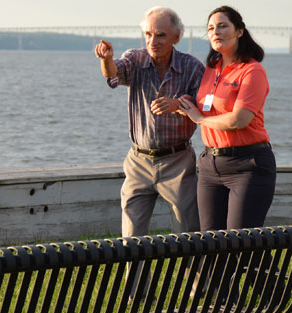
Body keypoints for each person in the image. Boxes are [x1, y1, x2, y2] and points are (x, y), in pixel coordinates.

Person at [94, 6, 203, 237]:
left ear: (176, 37)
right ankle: (134, 275)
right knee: (131, 239)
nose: (153, 40)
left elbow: (204, 107)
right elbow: (113, 73)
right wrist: (107, 59)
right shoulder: (134, 58)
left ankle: (194, 274)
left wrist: (177, 105)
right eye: (148, 34)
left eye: (160, 35)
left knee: (188, 235)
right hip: (138, 161)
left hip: (178, 161)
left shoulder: (193, 67)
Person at [175, 5, 276, 231]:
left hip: (248, 164)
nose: (215, 32)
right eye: (211, 28)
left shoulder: (252, 71)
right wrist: (188, 103)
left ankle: (270, 269)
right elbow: (209, 105)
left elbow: (238, 120)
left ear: (239, 31)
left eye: (222, 26)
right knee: (211, 244)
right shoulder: (211, 68)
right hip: (210, 165)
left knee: (241, 243)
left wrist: (199, 118)